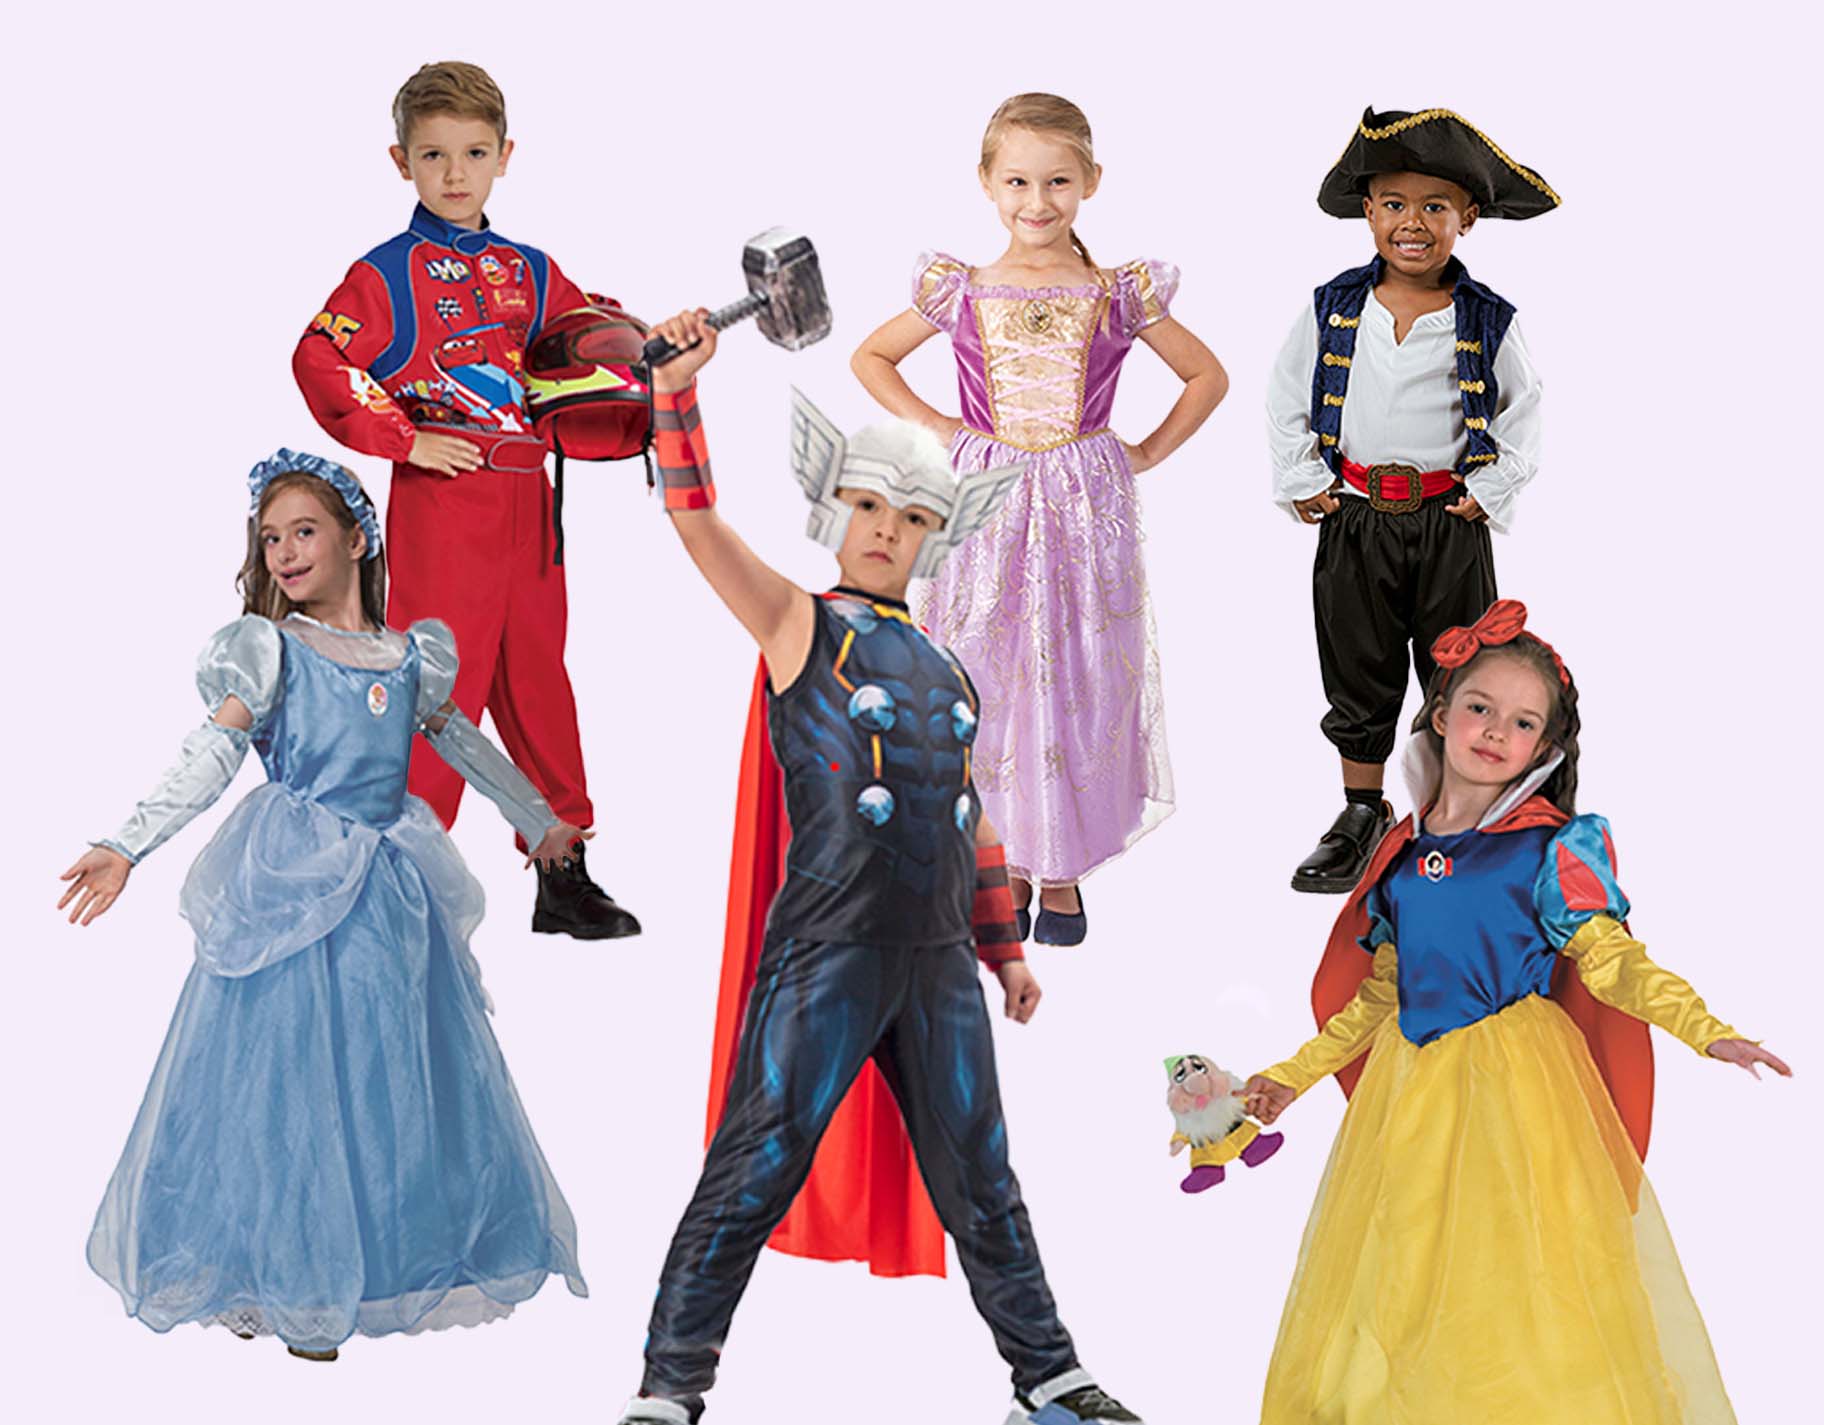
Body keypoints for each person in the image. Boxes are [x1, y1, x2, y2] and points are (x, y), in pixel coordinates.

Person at [615, 307, 1143, 1425]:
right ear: (833, 507)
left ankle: (1049, 1377)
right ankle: (668, 1388)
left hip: (941, 960)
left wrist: (1006, 955)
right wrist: (675, 394)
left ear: (938, 535)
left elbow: (969, 818)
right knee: (756, 1160)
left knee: (982, 1176)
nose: (886, 529)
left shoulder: (950, 666)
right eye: (868, 506)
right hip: (829, 949)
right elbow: (696, 518)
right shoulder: (798, 625)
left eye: (911, 516)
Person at [60, 452, 589, 1359]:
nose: (285, 553)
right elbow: (211, 753)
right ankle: (289, 1277)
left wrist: (539, 820)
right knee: (287, 1081)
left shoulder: (411, 657)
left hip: (387, 891)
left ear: (356, 538)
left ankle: (365, 1272)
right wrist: (127, 844)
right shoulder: (272, 650)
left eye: (304, 531)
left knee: (391, 1079)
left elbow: (466, 744)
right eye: (271, 539)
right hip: (293, 890)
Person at [1241, 600, 1790, 1424]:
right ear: (1440, 713)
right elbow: (1376, 1000)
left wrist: (1707, 1032)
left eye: (1523, 721)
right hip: (1411, 1096)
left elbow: (1611, 960)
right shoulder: (1400, 857)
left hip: (1519, 1094)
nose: (1497, 730)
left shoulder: (1549, 848)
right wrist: (1291, 1078)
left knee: (1521, 1269)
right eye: (1480, 707)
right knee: (1406, 1268)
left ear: (1546, 746)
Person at [852, 92, 1227, 945]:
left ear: (1091, 181)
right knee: (987, 666)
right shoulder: (961, 289)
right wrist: (939, 424)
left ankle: (1061, 869)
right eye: (1018, 181)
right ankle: (1002, 858)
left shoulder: (1116, 292)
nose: (1038, 200)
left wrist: (1148, 449)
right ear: (987, 183)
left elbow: (1207, 376)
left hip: (1084, 503)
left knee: (1077, 668)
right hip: (987, 499)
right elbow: (870, 356)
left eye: (1058, 180)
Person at [292, 59, 637, 939]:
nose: (455, 173)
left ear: (505, 156)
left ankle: (561, 867)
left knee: (539, 683)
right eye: (434, 154)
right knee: (437, 684)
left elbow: (586, 354)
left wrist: (655, 352)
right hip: (446, 504)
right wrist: (403, 439)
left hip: (531, 509)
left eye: (475, 153)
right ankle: (398, 875)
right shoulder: (386, 274)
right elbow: (320, 356)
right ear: (401, 161)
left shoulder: (533, 270)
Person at [1268, 106, 1555, 894]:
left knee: (1459, 666)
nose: (1413, 223)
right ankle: (1362, 811)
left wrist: (1489, 488)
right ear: (1368, 212)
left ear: (1468, 218)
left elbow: (1523, 410)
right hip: (1357, 518)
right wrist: (1304, 477)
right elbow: (1286, 396)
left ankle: (1459, 814)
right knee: (1356, 664)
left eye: (1435, 206)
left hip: (1447, 523)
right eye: (1394, 204)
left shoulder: (1487, 319)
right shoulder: (1334, 307)